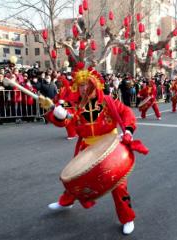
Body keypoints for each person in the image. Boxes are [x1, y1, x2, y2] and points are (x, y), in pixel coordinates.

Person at [39, 65, 147, 235]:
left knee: (118, 184)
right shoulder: (74, 105)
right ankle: (66, 201)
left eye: (86, 84)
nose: (83, 89)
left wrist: (128, 131)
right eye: (80, 85)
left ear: (94, 84)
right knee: (77, 178)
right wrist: (57, 115)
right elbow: (66, 121)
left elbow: (126, 112)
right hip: (88, 147)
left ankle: (127, 217)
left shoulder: (107, 101)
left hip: (110, 146)